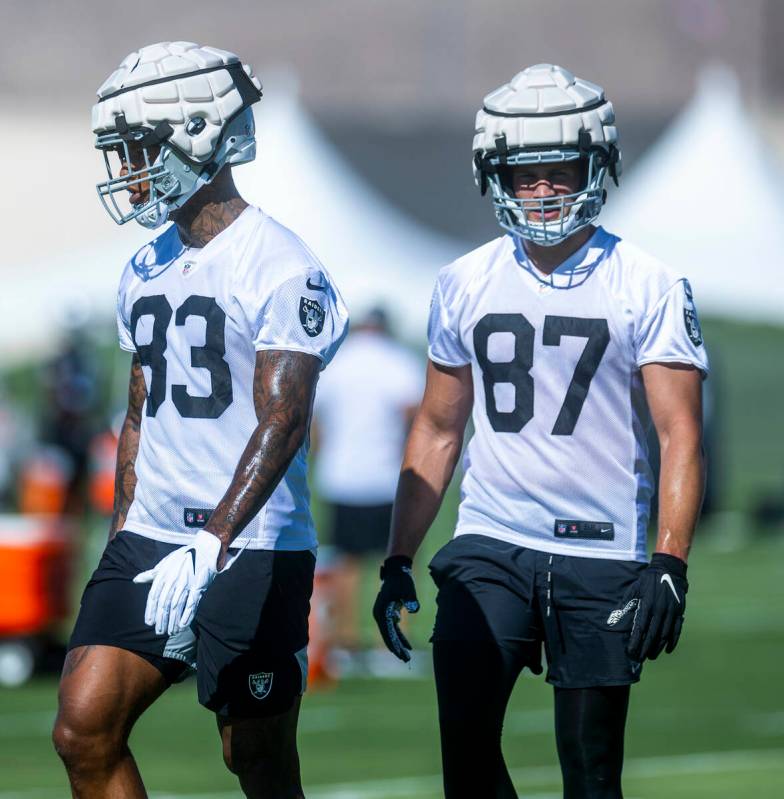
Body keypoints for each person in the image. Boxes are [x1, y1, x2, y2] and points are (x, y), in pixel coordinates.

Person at [373, 64, 708, 799]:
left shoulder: (647, 281)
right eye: (525, 175)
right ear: (493, 175)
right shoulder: (463, 280)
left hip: (601, 549)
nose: (545, 189)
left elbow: (679, 430)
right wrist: (398, 555)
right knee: (464, 751)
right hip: (493, 537)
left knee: (590, 776)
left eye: (562, 169)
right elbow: (437, 425)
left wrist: (670, 562)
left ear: (599, 163)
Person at [52, 42, 348, 799]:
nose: (130, 172)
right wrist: (121, 535)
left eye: (142, 150)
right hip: (152, 533)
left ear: (196, 133)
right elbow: (139, 412)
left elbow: (283, 418)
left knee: (254, 757)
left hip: (248, 543)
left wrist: (212, 540)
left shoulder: (281, 263)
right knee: (83, 727)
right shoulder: (145, 265)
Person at [312, 307, 422, 658]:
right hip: (388, 475)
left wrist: (321, 458)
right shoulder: (399, 361)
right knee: (399, 558)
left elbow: (316, 421)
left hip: (341, 475)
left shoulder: (336, 363)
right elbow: (414, 417)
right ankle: (393, 638)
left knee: (345, 561)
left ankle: (346, 640)